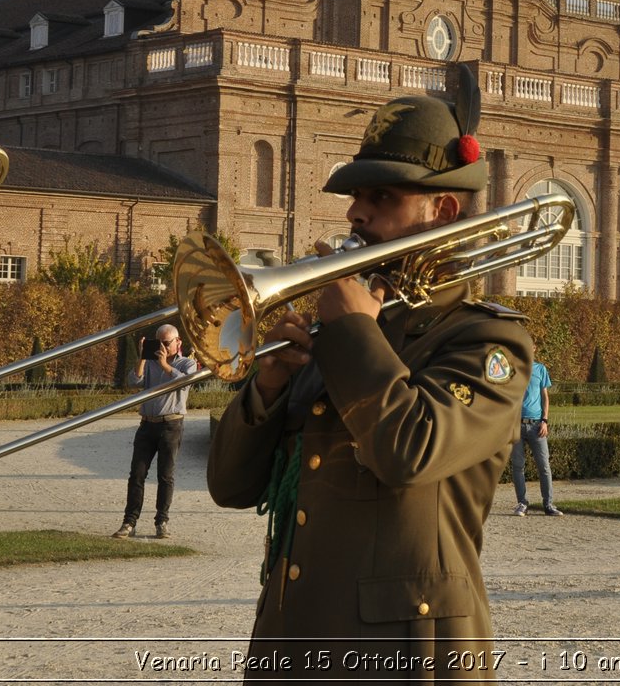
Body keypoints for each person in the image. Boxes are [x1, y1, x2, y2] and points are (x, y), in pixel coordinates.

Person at [207, 71, 533, 680]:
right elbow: (232, 487)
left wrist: (354, 332)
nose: (356, 213)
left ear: (441, 210)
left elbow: (410, 451)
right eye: (357, 198)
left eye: (381, 197)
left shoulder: (487, 339)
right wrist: (268, 387)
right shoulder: (339, 336)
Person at [113, 324, 197, 539]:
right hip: (147, 424)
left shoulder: (187, 363)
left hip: (171, 425)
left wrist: (164, 365)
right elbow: (133, 381)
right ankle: (129, 522)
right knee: (137, 475)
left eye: (166, 343)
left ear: (178, 343)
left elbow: (184, 383)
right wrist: (142, 357)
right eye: (157, 342)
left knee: (165, 476)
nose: (161, 347)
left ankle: (162, 522)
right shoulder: (149, 362)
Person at [510, 355, 561, 516]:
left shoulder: (540, 369)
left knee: (544, 466)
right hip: (516, 424)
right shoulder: (512, 369)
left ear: (533, 349)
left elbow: (545, 397)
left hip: (536, 425)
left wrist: (545, 420)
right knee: (518, 466)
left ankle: (548, 504)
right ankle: (522, 503)